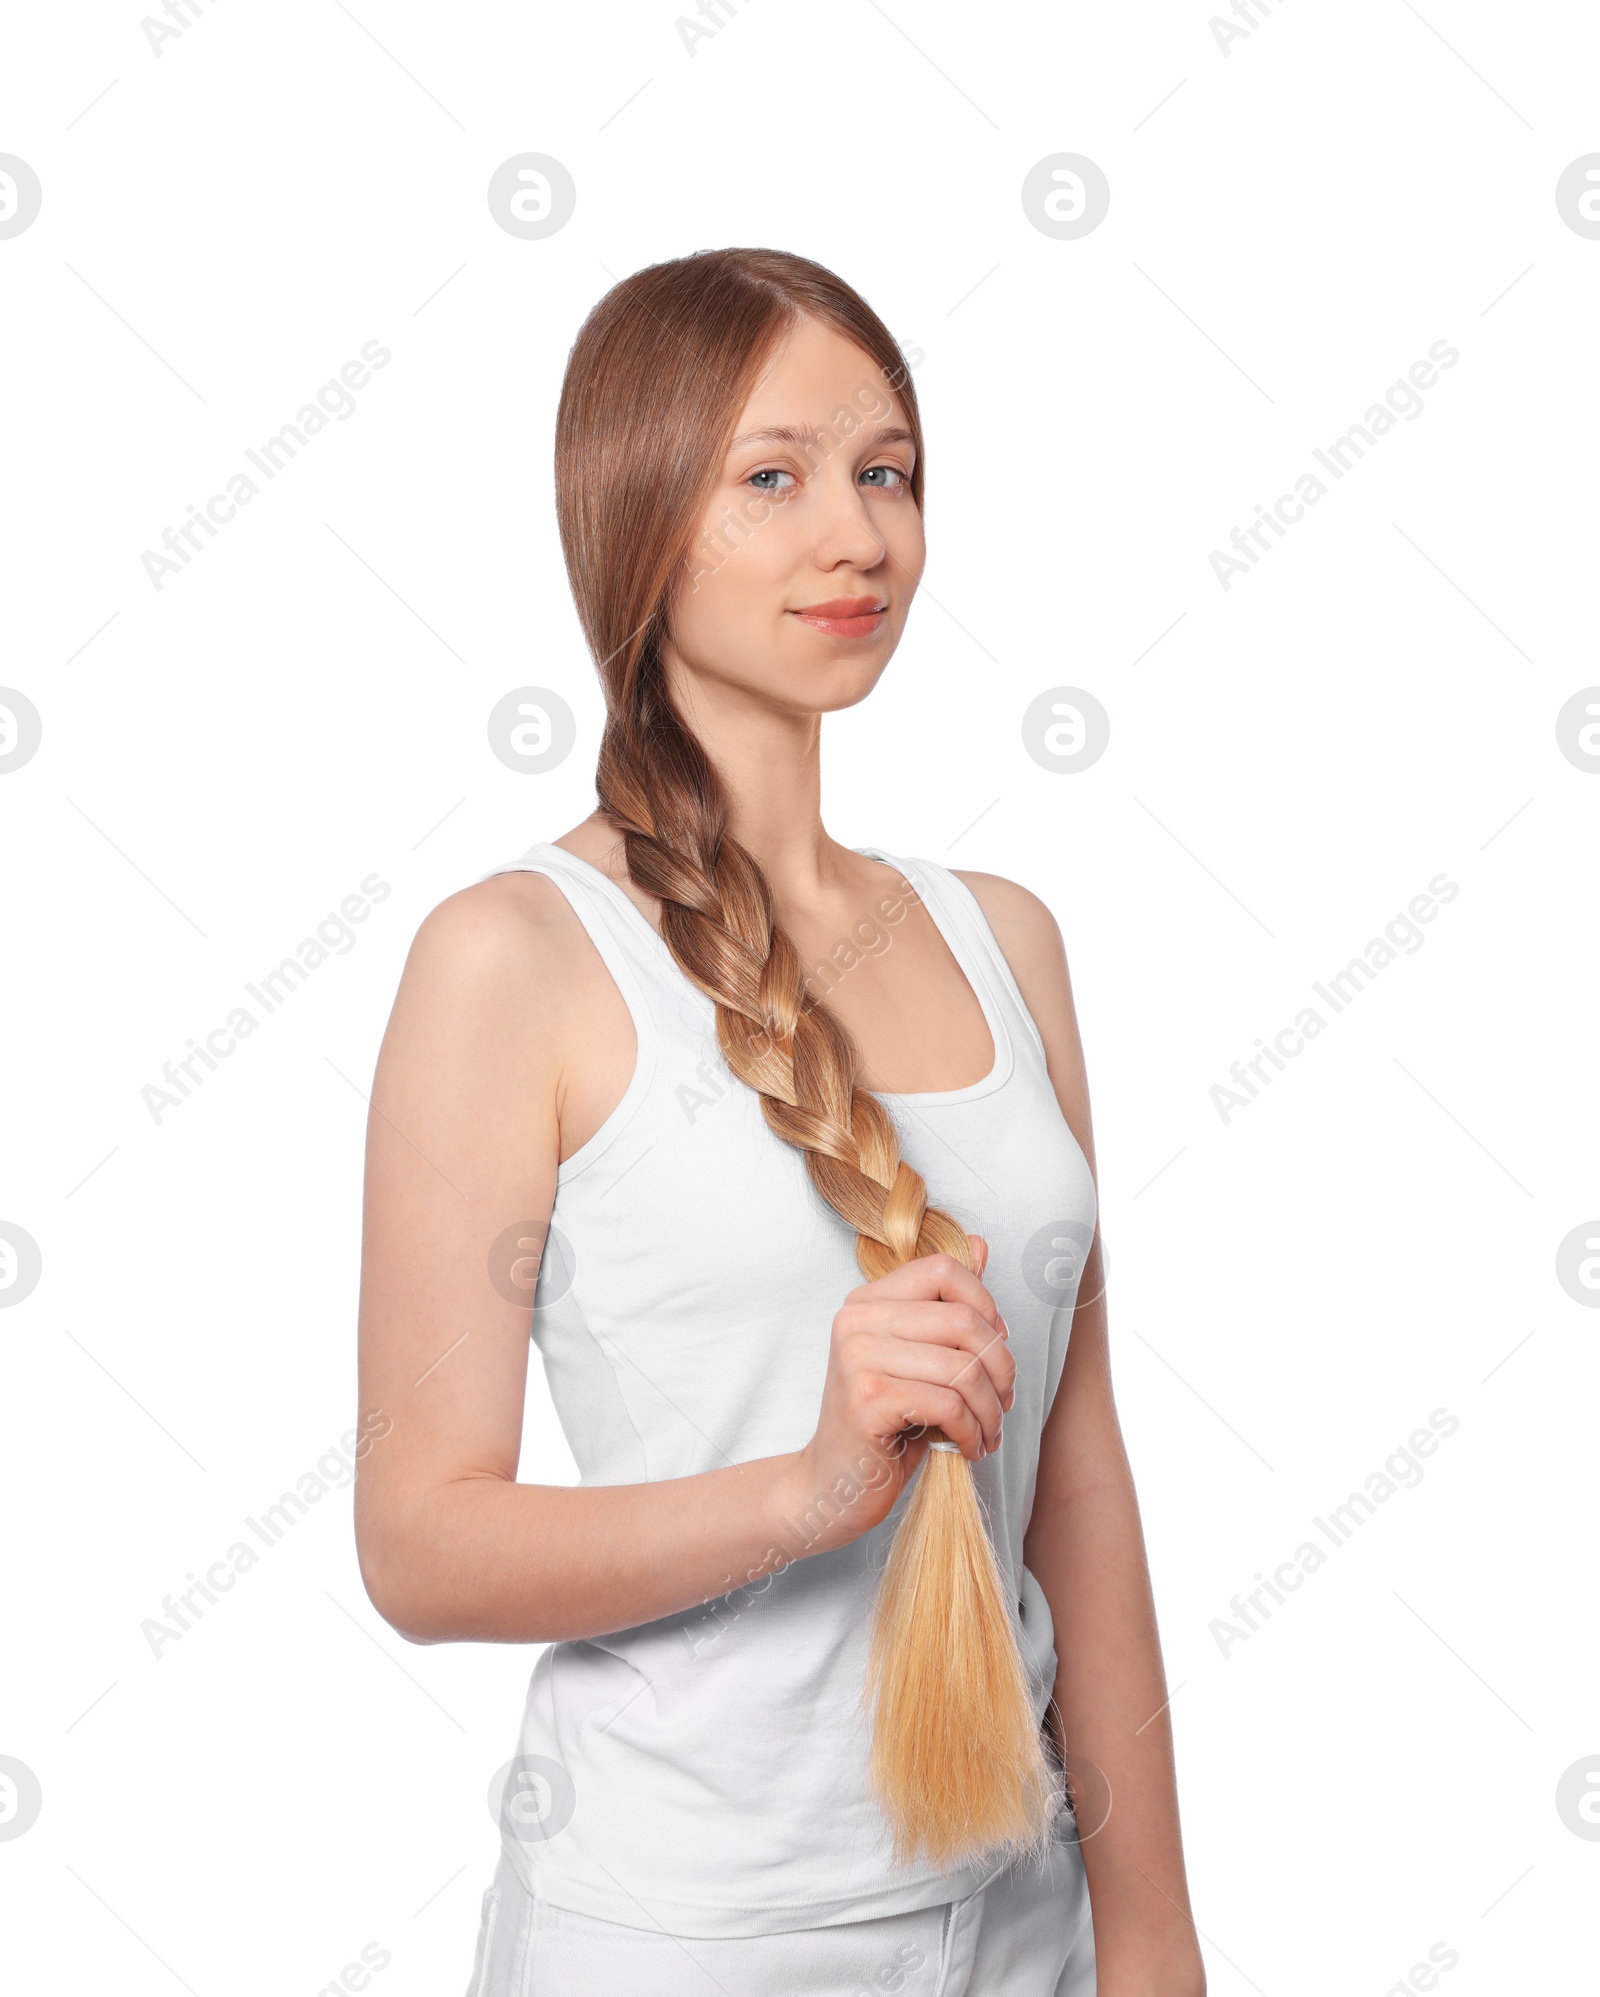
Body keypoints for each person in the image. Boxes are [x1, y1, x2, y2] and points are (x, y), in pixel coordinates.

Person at [353, 247, 1204, 1996]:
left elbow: (1083, 1477)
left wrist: (1153, 1935)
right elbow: (419, 1540)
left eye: (887, 470)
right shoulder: (512, 961)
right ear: (639, 519)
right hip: (688, 1937)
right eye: (774, 476)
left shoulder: (1003, 935)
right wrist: (810, 1488)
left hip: (1020, 1909)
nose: (860, 535)